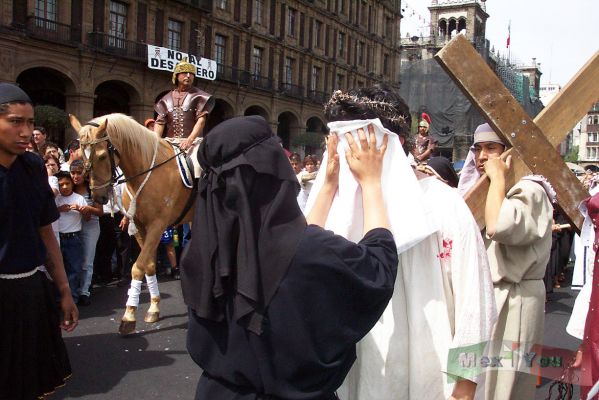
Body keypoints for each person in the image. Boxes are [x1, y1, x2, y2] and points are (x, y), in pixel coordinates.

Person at [181, 115, 398, 399]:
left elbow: (289, 248)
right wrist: (371, 183)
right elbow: (378, 267)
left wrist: (328, 187)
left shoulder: (201, 253)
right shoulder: (311, 253)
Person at [319, 86, 496, 400]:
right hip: (359, 377)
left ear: (393, 142)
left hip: (430, 378)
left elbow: (476, 304)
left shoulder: (443, 204)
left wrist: (466, 387)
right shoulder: (338, 206)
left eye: (359, 139)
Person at [457, 123, 554, 400]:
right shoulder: (485, 190)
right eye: (478, 149)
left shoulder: (530, 189)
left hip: (515, 301)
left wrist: (499, 179)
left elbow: (499, 226)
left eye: (492, 148)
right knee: (471, 380)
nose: (482, 157)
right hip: (486, 297)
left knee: (504, 386)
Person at [0, 82, 77, 399]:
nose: (26, 131)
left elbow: (47, 232)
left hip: (31, 289)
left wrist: (64, 290)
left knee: (33, 381)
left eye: (30, 123)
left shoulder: (33, 167)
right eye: (15, 121)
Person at [154, 59, 214, 152]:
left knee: (198, 165)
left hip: (194, 143)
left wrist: (189, 140)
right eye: (185, 73)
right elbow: (159, 122)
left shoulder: (200, 96)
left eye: (191, 74)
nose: (188, 76)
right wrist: (155, 142)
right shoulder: (166, 98)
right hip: (170, 143)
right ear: (176, 76)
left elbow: (201, 120)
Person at [70, 160, 103, 306]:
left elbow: (100, 212)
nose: (76, 176)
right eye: (73, 173)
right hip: (72, 227)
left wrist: (86, 209)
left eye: (79, 173)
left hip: (90, 227)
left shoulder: (93, 190)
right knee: (73, 260)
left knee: (87, 261)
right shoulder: (68, 188)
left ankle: (84, 291)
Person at [55, 171, 88, 303]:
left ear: (72, 184)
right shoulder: (55, 199)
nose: (64, 187)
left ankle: (73, 298)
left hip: (74, 238)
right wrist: (58, 209)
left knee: (74, 269)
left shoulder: (79, 198)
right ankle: (59, 298)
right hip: (58, 238)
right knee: (58, 269)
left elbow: (88, 218)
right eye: (61, 184)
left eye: (67, 183)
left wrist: (82, 210)